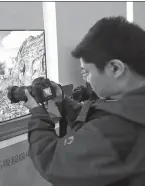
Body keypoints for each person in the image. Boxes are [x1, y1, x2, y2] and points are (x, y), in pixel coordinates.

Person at [23, 16, 145, 186]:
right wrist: (63, 103)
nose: (87, 79)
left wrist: (37, 114)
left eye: (87, 72)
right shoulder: (130, 109)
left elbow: (51, 159)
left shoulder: (118, 130)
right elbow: (97, 121)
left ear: (115, 68)